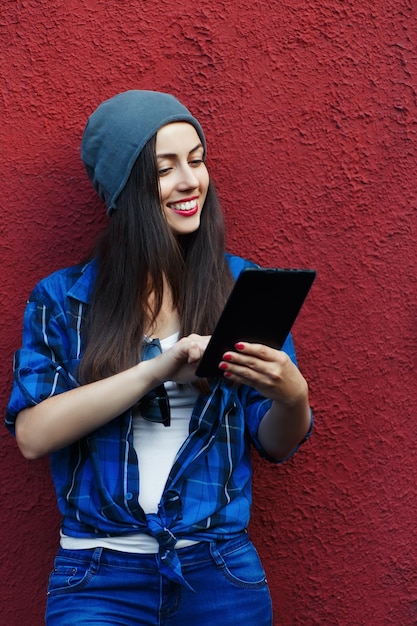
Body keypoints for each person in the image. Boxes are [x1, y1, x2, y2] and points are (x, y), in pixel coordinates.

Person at [5, 90, 312, 626]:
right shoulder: (61, 300)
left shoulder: (240, 287)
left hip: (219, 573)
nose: (190, 181)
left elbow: (275, 444)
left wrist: (293, 397)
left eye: (196, 160)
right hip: (97, 576)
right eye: (164, 168)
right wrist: (156, 368)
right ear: (123, 188)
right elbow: (33, 434)